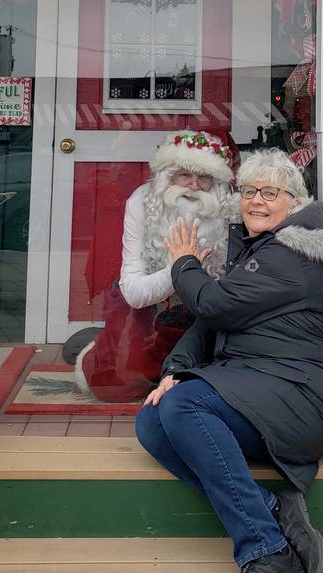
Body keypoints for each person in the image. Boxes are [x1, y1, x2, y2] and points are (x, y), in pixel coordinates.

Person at [135, 148, 323, 573]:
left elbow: (211, 304)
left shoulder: (288, 255)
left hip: (304, 400)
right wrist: (174, 368)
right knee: (152, 422)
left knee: (186, 404)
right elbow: (212, 321)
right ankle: (274, 509)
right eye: (249, 191)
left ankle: (268, 550)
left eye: (270, 193)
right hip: (264, 387)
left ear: (295, 202)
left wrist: (183, 261)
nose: (255, 200)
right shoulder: (260, 249)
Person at [75, 131, 237, 403]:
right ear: (167, 177)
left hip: (208, 314)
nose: (194, 186)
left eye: (204, 178)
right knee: (118, 383)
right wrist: (182, 266)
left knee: (219, 383)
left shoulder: (231, 209)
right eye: (184, 175)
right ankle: (100, 348)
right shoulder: (141, 201)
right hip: (151, 310)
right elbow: (134, 293)